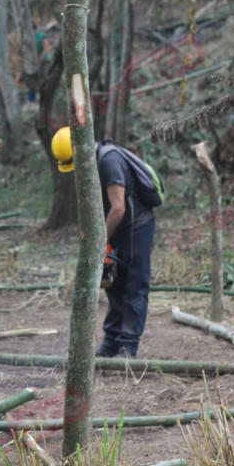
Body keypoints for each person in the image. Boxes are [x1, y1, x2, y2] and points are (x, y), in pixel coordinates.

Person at [51, 127, 155, 359]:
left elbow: (118, 207)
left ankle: (128, 346)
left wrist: (99, 242)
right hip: (116, 227)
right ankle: (112, 341)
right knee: (114, 284)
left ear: (80, 150)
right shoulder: (95, 162)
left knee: (133, 286)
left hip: (136, 227)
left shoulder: (109, 161)